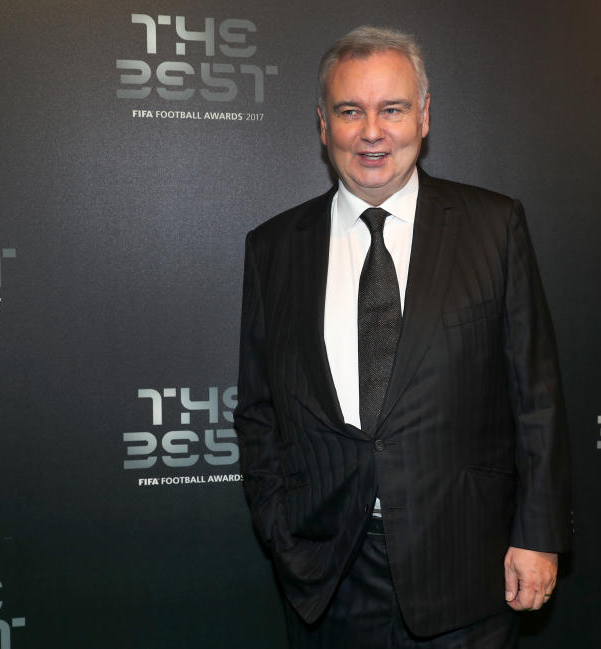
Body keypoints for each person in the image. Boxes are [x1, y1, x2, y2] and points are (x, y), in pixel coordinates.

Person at [234, 25, 571, 648]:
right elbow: (257, 410)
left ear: (423, 116)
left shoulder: (494, 227)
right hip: (326, 573)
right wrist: (281, 530)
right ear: (322, 123)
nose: (371, 131)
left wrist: (538, 534)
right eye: (349, 111)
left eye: (391, 109)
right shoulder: (274, 247)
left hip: (468, 568)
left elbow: (536, 398)